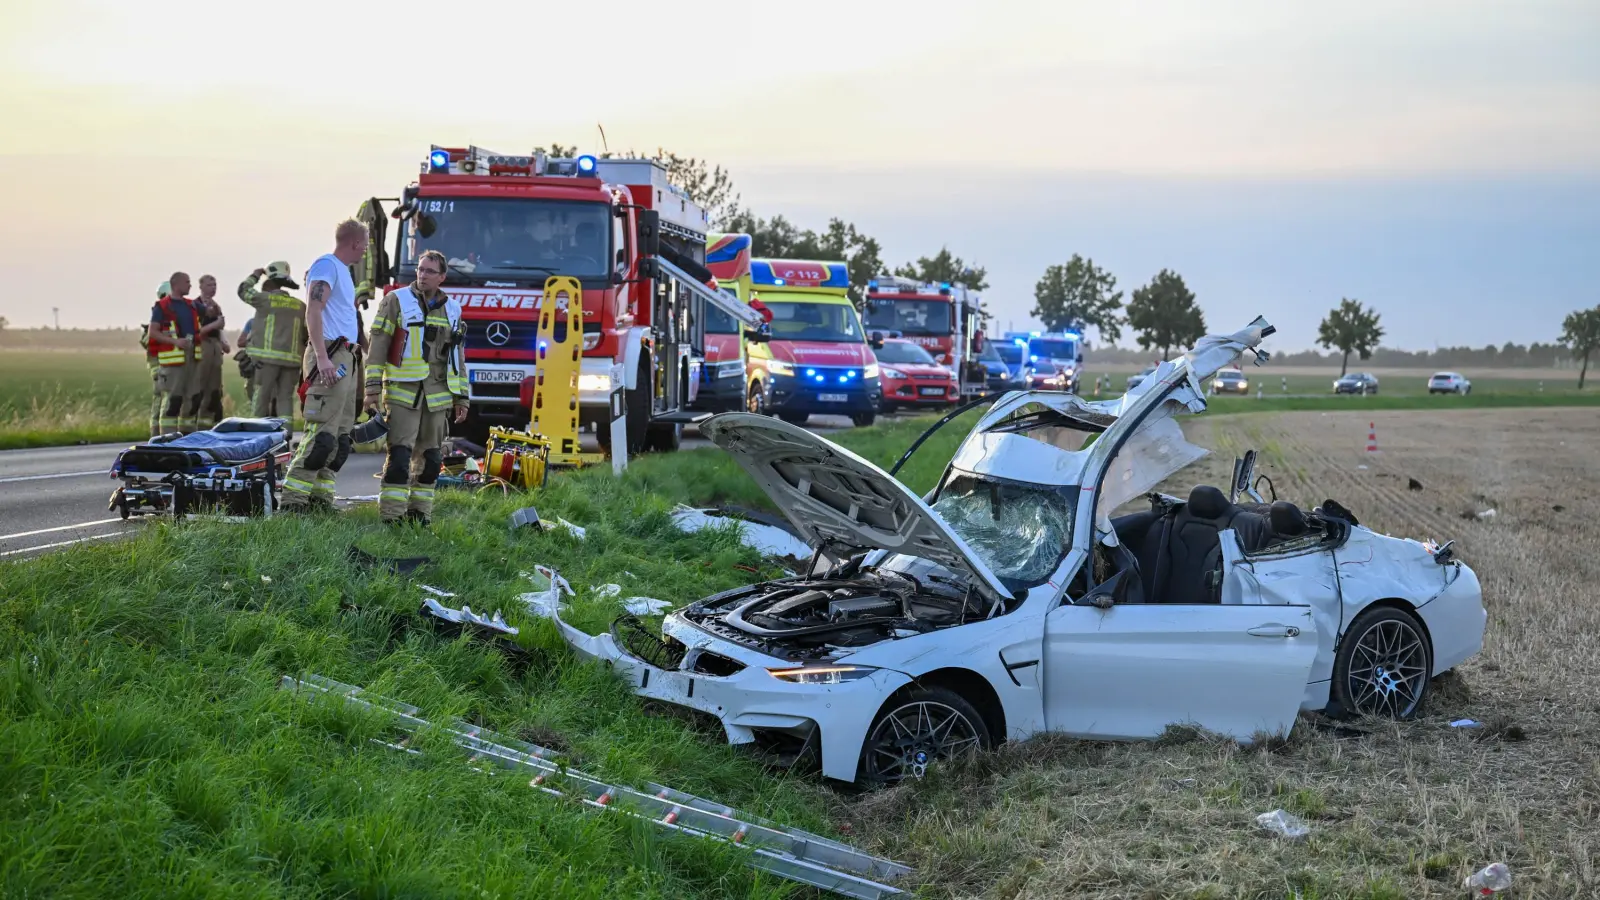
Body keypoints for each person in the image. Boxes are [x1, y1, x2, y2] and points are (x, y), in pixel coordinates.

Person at [364, 249, 468, 526]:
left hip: (438, 396)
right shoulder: (396, 300)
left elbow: (458, 357)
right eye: (420, 269)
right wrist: (372, 388)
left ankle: (420, 516)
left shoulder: (453, 310)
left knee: (432, 460)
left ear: (442, 277)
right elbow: (378, 345)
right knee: (399, 457)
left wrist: (462, 397)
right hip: (403, 393)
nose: (422, 275)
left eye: (429, 271)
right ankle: (392, 518)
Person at [279, 221, 369, 512]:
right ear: (355, 242)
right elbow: (314, 310)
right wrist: (321, 357)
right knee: (321, 436)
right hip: (330, 354)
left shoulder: (343, 272)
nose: (366, 249)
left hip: (347, 357)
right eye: (365, 243)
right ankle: (293, 504)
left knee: (339, 439)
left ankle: (320, 502)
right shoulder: (326, 266)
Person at [237, 261, 305, 439]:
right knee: (285, 399)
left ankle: (255, 438)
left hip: (266, 361)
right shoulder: (299, 306)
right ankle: (285, 436)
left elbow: (243, 290)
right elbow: (306, 334)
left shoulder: (265, 300)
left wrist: (255, 275)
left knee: (261, 397)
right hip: (292, 362)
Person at [148, 272, 203, 434]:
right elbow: (153, 332)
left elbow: (209, 313)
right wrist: (175, 342)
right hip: (173, 361)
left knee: (191, 400)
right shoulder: (162, 306)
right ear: (176, 285)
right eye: (187, 282)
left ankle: (188, 437)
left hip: (192, 358)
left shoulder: (191, 305)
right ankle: (167, 437)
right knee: (173, 401)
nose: (190, 285)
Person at [193, 275, 231, 428]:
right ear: (201, 286)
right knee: (199, 386)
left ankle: (208, 424)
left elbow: (219, 328)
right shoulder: (195, 305)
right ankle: (194, 423)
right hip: (202, 347)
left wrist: (223, 342)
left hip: (215, 348)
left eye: (215, 285)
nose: (213, 288)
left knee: (214, 389)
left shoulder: (216, 306)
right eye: (209, 285)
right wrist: (215, 325)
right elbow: (194, 332)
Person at [144, 281, 170, 437]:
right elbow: (151, 346)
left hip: (171, 370)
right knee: (161, 404)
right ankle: (156, 437)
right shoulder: (159, 320)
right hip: (162, 371)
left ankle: (162, 437)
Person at [236, 318, 258, 406]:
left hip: (270, 364)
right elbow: (240, 342)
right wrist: (251, 337)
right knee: (251, 389)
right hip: (254, 363)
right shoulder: (252, 322)